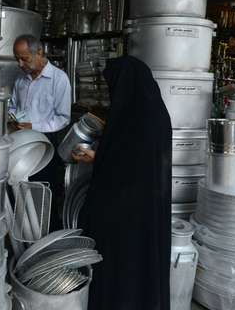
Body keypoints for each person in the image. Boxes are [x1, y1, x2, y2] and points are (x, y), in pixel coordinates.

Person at [74, 55, 172, 310]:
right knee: (142, 269)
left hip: (123, 214)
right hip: (147, 212)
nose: (110, 94)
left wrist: (95, 157)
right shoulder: (156, 113)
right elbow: (136, 161)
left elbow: (123, 165)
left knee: (120, 271)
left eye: (112, 86)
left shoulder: (134, 118)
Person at [9, 34, 72, 229]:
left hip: (46, 145)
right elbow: (12, 106)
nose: (20, 64)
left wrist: (33, 126)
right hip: (21, 143)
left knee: (43, 196)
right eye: (17, 59)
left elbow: (63, 118)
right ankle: (24, 240)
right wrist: (11, 117)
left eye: (24, 58)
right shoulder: (21, 80)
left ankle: (45, 245)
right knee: (20, 192)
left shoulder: (58, 79)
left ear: (39, 52)